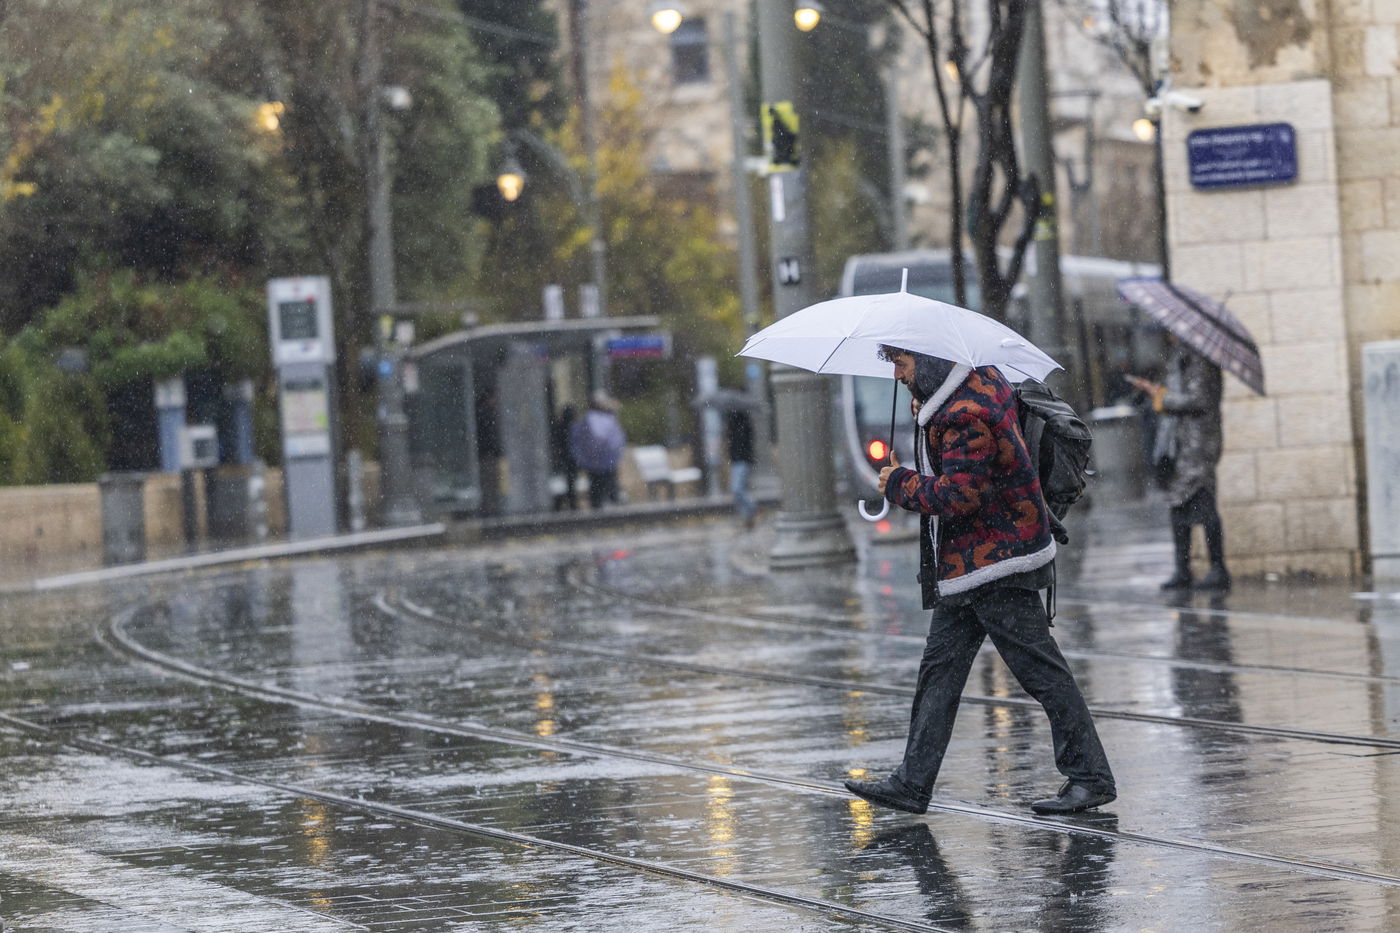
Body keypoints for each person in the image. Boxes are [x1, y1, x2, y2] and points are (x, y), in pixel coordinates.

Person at [843, 347, 1116, 816]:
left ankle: (1090, 776)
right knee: (940, 672)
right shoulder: (974, 389)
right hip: (971, 564)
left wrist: (899, 484)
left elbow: (959, 496)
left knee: (1040, 672)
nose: (897, 373)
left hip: (997, 561)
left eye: (902, 363)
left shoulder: (964, 414)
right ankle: (913, 782)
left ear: (927, 363)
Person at [1126, 336, 1231, 592]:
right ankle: (1182, 569)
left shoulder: (1200, 358)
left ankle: (1218, 568)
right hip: (1180, 444)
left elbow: (1199, 400)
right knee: (1178, 504)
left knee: (1203, 501)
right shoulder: (1183, 355)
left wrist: (1160, 396)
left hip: (1197, 445)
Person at [570, 392, 626, 509]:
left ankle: (604, 512)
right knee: (603, 491)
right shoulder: (594, 418)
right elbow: (600, 438)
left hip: (599, 461)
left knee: (601, 491)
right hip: (601, 461)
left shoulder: (594, 418)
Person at [726, 408, 756, 528]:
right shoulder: (736, 425)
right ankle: (748, 516)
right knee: (738, 489)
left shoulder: (742, 425)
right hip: (737, 461)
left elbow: (742, 444)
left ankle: (752, 508)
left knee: (736, 489)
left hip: (741, 461)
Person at [550, 404, 578, 511]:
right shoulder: (573, 426)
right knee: (570, 481)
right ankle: (571, 503)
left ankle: (562, 503)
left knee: (565, 481)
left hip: (564, 457)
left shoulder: (560, 426)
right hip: (571, 457)